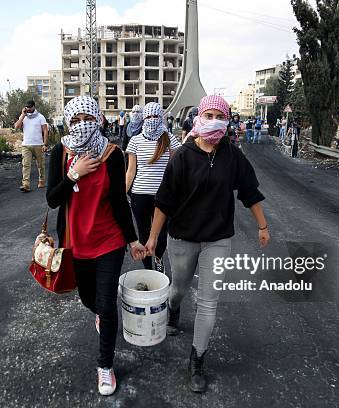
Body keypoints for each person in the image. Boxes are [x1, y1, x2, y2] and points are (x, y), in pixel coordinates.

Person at [145, 95, 270, 393]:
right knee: (179, 288)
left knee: (208, 302)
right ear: (199, 117)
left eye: (219, 115)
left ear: (227, 120)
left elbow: (250, 191)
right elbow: (163, 202)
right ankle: (174, 309)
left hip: (218, 238)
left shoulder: (232, 155)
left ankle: (197, 359)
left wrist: (263, 226)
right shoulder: (183, 157)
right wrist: (152, 238)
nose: (213, 119)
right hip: (183, 237)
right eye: (208, 114)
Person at [46, 96, 147, 396]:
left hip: (108, 240)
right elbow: (52, 199)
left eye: (87, 119)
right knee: (88, 298)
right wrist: (74, 175)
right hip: (75, 243)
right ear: (67, 123)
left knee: (106, 304)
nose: (81, 126)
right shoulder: (60, 152)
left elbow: (118, 201)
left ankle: (105, 366)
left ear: (98, 119)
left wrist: (132, 239)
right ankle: (101, 314)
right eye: (75, 120)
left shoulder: (112, 154)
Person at [125, 102, 181, 272]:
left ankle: (158, 258)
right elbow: (131, 171)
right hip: (139, 194)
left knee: (162, 234)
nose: (151, 120)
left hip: (162, 196)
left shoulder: (168, 138)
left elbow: (175, 168)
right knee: (143, 233)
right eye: (148, 116)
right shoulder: (135, 140)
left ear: (161, 117)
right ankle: (148, 267)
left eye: (155, 116)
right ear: (143, 117)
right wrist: (121, 193)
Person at [14, 100, 48, 193]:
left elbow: (45, 130)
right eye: (27, 107)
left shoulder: (41, 117)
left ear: (34, 107)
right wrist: (22, 116)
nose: (28, 109)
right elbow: (16, 127)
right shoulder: (23, 116)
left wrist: (45, 144)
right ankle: (26, 185)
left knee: (40, 165)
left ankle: (41, 180)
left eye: (30, 107)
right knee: (26, 165)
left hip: (38, 145)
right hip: (26, 145)